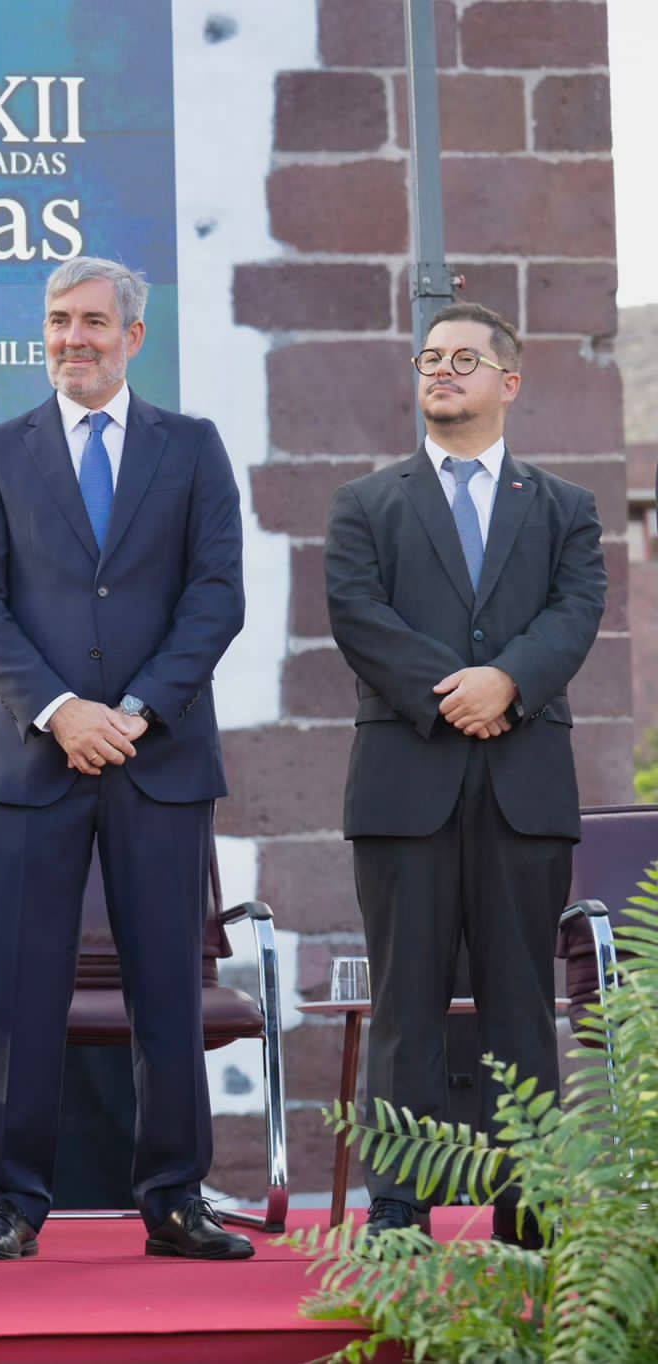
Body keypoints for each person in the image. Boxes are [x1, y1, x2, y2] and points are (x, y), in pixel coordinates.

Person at [0, 256, 250, 1261]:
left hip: (159, 761)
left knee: (167, 987)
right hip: (32, 765)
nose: (70, 337)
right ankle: (11, 1202)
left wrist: (133, 713)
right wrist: (61, 711)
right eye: (56, 320)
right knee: (20, 995)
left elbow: (215, 596)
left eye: (90, 321)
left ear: (133, 335)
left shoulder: (192, 448)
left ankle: (175, 1197)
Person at [324, 302, 604, 1246]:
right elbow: (358, 615)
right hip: (406, 782)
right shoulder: (366, 503)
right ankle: (398, 1208)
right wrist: (454, 694)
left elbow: (576, 613)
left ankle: (531, 1207)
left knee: (520, 1000)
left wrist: (507, 683)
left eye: (462, 359)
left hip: (525, 787)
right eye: (428, 358)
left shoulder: (565, 507)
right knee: (404, 1000)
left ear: (508, 382)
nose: (440, 370)